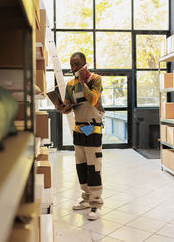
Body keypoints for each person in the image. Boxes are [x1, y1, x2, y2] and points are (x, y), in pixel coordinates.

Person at [58, 52, 105, 221]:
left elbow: (93, 100)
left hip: (93, 129)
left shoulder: (95, 79)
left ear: (85, 64)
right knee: (81, 166)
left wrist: (84, 83)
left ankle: (95, 204)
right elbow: (70, 106)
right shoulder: (70, 84)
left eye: (77, 64)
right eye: (71, 64)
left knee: (94, 167)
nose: (74, 68)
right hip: (78, 130)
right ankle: (86, 199)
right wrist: (63, 108)